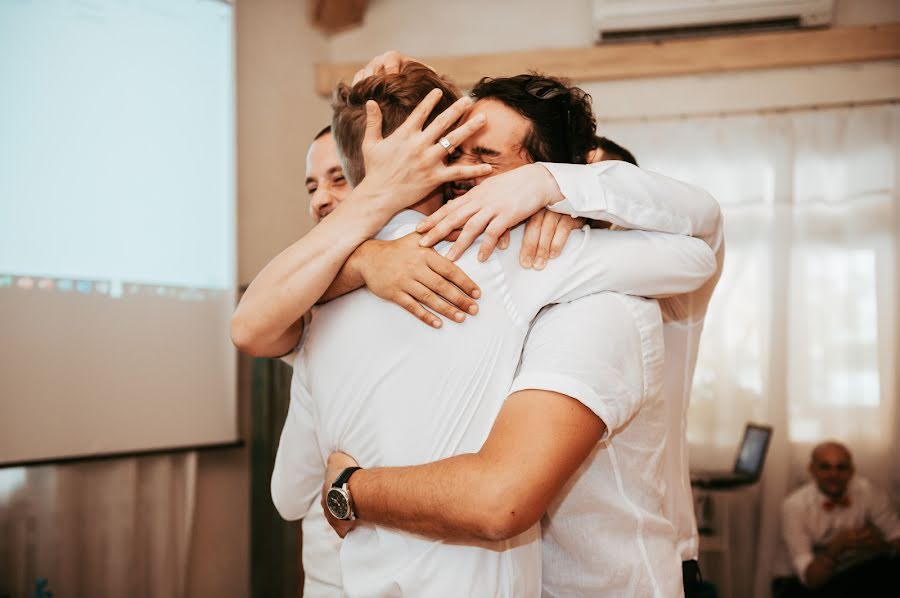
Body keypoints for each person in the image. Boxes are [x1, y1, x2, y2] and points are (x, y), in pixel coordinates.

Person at [247, 64, 716, 596]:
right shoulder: (392, 274)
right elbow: (256, 327)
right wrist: (365, 260)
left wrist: (350, 490)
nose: (457, 171)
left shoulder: (591, 297)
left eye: (484, 157)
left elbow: (499, 499)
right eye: (454, 150)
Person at [780, 441, 900, 597]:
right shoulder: (794, 506)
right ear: (811, 470)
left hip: (855, 570)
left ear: (852, 471)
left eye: (841, 467)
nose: (833, 475)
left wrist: (882, 546)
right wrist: (835, 548)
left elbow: (896, 535)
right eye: (825, 467)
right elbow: (811, 580)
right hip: (804, 581)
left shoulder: (868, 490)